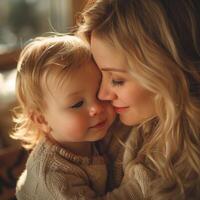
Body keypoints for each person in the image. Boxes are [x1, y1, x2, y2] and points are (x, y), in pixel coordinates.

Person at [77, 0, 200, 199]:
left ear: (167, 70)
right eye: (102, 77)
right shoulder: (124, 129)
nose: (102, 95)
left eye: (117, 80)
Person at [12, 35, 119, 199]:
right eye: (77, 104)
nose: (97, 108)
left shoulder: (101, 135)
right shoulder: (53, 178)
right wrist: (140, 186)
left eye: (98, 93)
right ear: (42, 120)